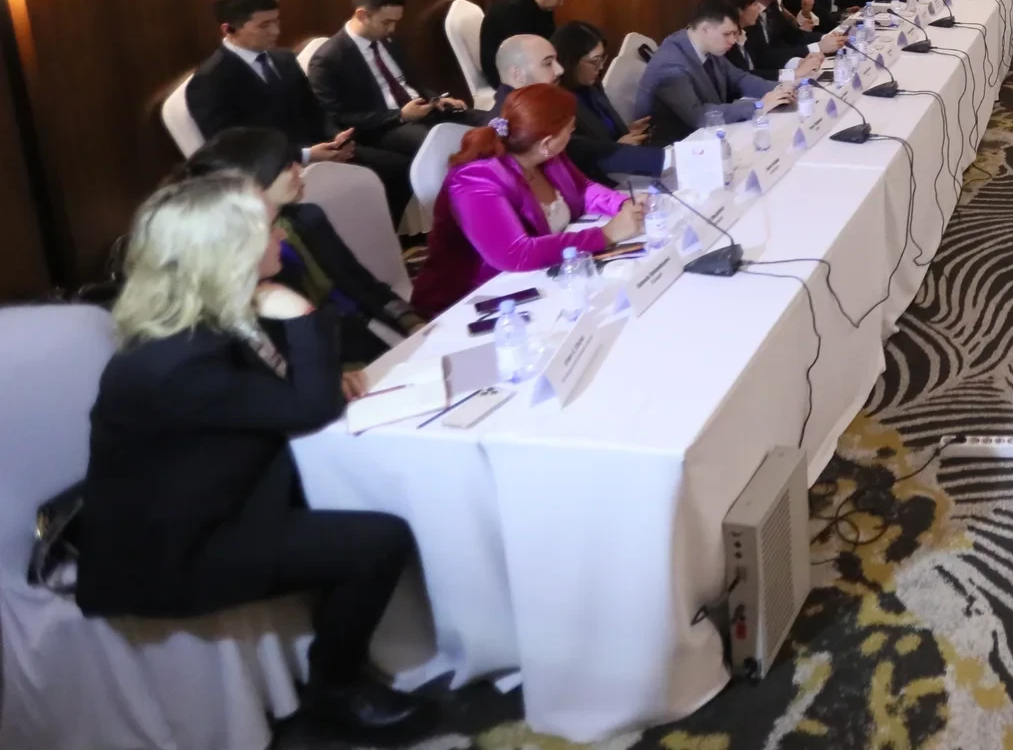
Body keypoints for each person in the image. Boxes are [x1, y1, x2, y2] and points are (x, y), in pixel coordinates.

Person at [76, 175, 429, 740]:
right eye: (267, 229)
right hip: (175, 548)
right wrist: (300, 313)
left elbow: (283, 393)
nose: (281, 237)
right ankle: (336, 687)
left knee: (388, 479)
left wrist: (313, 373)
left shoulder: (214, 316)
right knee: (379, 541)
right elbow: (308, 408)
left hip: (230, 489)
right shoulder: (177, 360)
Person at [184, 127, 422, 364]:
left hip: (369, 332)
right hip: (324, 359)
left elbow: (362, 281)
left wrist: (411, 321)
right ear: (253, 183)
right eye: (287, 166)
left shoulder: (307, 217)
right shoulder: (242, 257)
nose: (299, 170)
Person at [412, 84, 644, 317]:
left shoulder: (545, 156)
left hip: (543, 279)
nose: (572, 134)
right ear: (546, 143)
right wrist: (606, 235)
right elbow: (516, 253)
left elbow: (582, 189)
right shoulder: (475, 180)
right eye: (570, 129)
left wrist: (622, 204)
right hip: (476, 304)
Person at [307, 0, 480, 220]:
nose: (392, 29)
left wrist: (435, 99)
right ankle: (466, 217)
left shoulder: (389, 42)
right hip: (382, 127)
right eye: (386, 22)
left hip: (419, 111)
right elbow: (338, 117)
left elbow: (412, 81)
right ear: (362, 15)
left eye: (395, 22)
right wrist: (399, 115)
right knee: (441, 145)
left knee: (486, 122)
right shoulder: (329, 59)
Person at [185, 0, 356, 170]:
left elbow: (314, 109)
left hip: (320, 156)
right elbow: (231, 149)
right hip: (268, 173)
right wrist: (304, 155)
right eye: (264, 25)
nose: (275, 31)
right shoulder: (210, 80)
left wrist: (335, 138)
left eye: (276, 21)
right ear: (228, 29)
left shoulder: (284, 58)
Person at [632, 0, 794, 146]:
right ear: (705, 28)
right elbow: (699, 116)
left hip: (709, 135)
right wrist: (758, 106)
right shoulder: (670, 67)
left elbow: (739, 78)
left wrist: (781, 89)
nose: (733, 40)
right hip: (676, 146)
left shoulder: (703, 43)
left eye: (735, 33)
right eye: (727, 34)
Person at [549, 20, 665, 179]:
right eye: (595, 61)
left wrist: (625, 130)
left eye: (602, 59)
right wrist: (617, 147)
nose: (601, 67)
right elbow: (581, 154)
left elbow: (603, 130)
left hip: (623, 166)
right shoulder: (558, 103)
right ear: (571, 61)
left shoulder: (592, 86)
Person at [479, 0, 577, 90]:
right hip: (506, 74)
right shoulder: (513, 8)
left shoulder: (544, 5)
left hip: (531, 62)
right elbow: (519, 55)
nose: (561, 3)